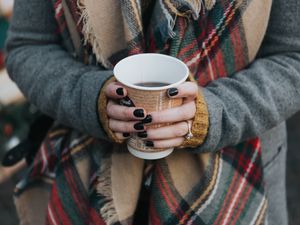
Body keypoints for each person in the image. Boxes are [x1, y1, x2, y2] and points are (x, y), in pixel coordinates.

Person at [4, 0, 300, 224]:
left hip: (233, 184)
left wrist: (213, 114)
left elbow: (293, 58)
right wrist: (91, 98)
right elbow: (29, 45)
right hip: (90, 184)